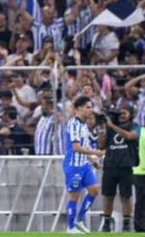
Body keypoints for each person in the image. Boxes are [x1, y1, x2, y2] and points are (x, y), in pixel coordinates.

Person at [65, 96, 105, 234]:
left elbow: (84, 146)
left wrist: (93, 161)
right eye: (88, 107)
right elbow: (76, 147)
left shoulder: (83, 125)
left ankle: (79, 220)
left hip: (85, 164)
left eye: (91, 107)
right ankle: (70, 227)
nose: (90, 110)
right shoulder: (74, 124)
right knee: (75, 195)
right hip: (74, 164)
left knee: (94, 190)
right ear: (79, 108)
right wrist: (96, 152)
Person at [98, 107, 139, 232]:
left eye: (124, 112)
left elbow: (129, 136)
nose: (121, 115)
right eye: (120, 113)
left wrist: (112, 126)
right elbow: (101, 145)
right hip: (110, 166)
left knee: (126, 196)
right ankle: (106, 224)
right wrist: (103, 128)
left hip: (126, 166)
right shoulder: (110, 127)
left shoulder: (135, 126)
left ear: (131, 115)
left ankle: (126, 224)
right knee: (108, 196)